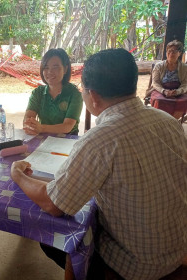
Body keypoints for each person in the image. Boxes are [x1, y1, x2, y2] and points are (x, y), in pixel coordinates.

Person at [11, 49, 187, 279]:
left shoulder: (100, 139)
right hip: (178, 249)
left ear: (92, 96)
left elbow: (54, 204)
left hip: (136, 265)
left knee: (52, 233)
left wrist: (18, 175)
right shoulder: (169, 122)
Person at [23, 48, 83, 135]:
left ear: (65, 69)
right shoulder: (38, 92)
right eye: (46, 67)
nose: (50, 72)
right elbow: (28, 117)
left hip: (67, 140)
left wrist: (42, 128)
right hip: (43, 139)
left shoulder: (74, 94)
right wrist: (29, 124)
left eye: (55, 67)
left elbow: (67, 126)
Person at [145, 40, 187, 118]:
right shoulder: (159, 66)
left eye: (174, 51)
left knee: (183, 101)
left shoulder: (184, 68)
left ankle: (174, 121)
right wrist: (164, 91)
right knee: (160, 101)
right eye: (169, 51)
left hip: (177, 92)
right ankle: (160, 120)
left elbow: (185, 84)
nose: (171, 53)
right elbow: (155, 83)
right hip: (160, 90)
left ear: (179, 53)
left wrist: (177, 92)